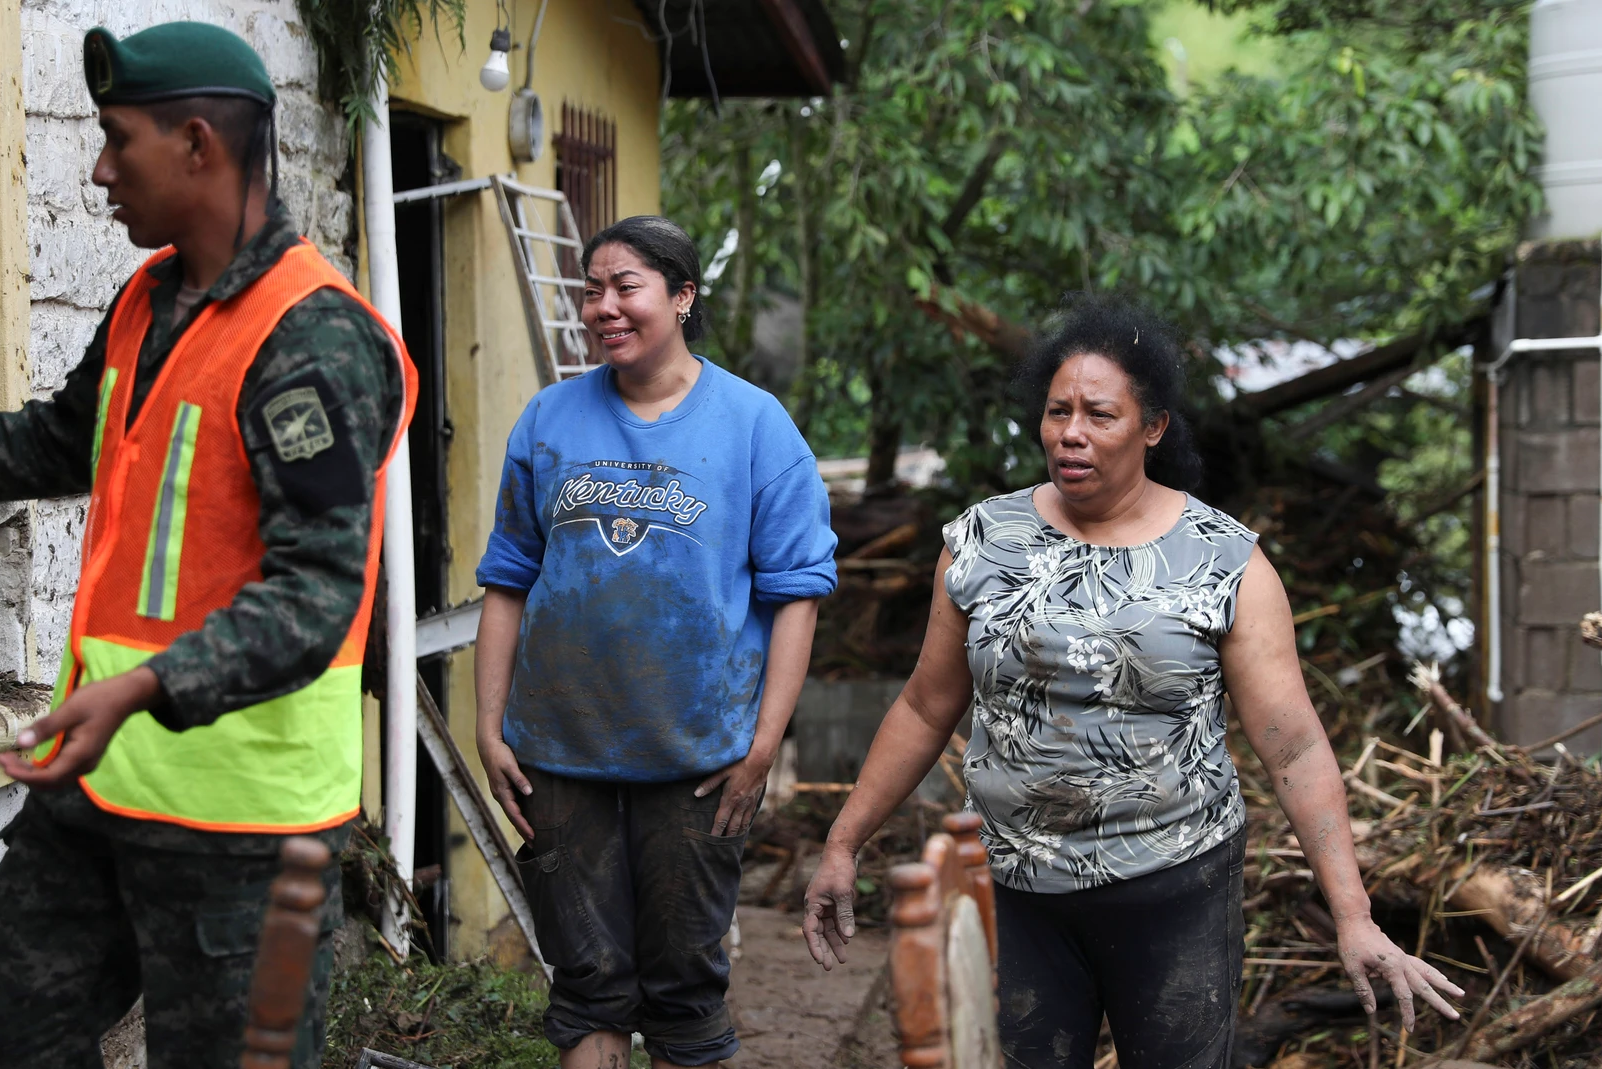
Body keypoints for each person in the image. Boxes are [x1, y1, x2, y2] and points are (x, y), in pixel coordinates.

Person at [0, 22, 413, 1068]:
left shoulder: (313, 339)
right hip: (101, 794)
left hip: (252, 833)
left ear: (197, 144)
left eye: (119, 141)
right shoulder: (149, 300)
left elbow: (316, 598)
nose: (100, 169)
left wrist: (141, 688)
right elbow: (60, 439)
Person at [800, 296, 1462, 1068]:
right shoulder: (983, 541)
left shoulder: (1225, 562)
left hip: (1176, 891)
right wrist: (843, 841)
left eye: (1099, 414)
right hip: (1019, 890)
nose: (1071, 432)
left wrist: (1353, 914)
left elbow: (1296, 749)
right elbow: (924, 704)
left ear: (1152, 428)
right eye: (1057, 411)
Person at [472, 215, 838, 1068]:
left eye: (625, 286)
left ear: (681, 295)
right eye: (591, 288)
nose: (604, 306)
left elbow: (798, 597)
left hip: (699, 763)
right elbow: (508, 581)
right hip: (560, 757)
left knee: (683, 993)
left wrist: (762, 747)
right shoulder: (548, 419)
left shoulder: (755, 425)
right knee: (587, 984)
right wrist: (491, 730)